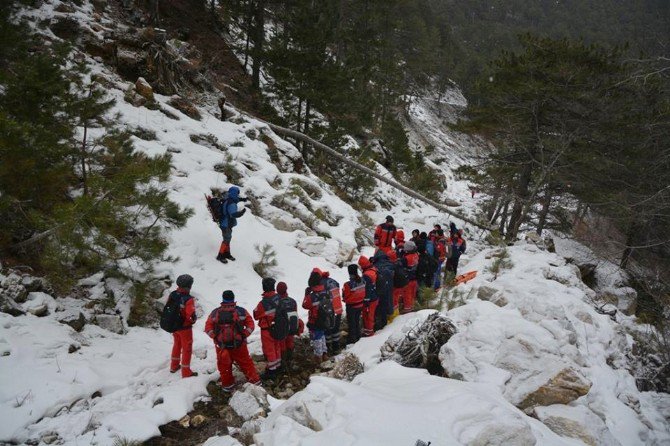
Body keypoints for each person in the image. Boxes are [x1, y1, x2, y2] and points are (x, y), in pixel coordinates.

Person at [205, 290, 260, 392]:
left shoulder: (215, 313)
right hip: (239, 345)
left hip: (222, 346)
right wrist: (244, 335)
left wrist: (216, 338)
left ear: (223, 299)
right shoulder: (241, 311)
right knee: (246, 363)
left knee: (224, 366)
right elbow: (251, 325)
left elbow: (207, 327)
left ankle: (228, 386)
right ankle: (255, 382)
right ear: (233, 299)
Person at [253, 278, 282, 380]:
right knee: (277, 346)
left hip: (267, 329)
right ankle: (278, 366)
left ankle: (272, 371)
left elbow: (255, 315)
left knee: (269, 350)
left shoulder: (263, 303)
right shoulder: (279, 297)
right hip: (279, 327)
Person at [169, 274, 198, 378]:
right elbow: (191, 315)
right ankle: (186, 372)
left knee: (177, 344)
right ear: (189, 286)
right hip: (185, 328)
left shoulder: (172, 294)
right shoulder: (188, 299)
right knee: (187, 348)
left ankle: (174, 366)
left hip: (174, 326)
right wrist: (193, 319)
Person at [302, 271, 331, 363]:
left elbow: (305, 305)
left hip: (315, 321)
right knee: (322, 336)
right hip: (325, 319)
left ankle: (319, 358)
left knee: (316, 339)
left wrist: (306, 294)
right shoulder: (327, 292)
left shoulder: (311, 296)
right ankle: (324, 354)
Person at [217, 186, 249, 264]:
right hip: (226, 223)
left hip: (226, 223)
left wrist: (243, 199)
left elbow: (236, 200)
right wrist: (242, 212)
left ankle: (227, 253)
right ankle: (220, 255)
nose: (238, 195)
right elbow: (233, 214)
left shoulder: (228, 199)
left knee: (228, 238)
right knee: (226, 239)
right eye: (237, 193)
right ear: (235, 193)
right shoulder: (231, 203)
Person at [342, 264, 365, 344]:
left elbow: (345, 296)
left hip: (351, 306)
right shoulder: (362, 280)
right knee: (357, 321)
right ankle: (358, 336)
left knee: (352, 323)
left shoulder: (347, 284)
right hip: (360, 304)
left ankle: (352, 340)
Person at [371, 249, 394, 330]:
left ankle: (379, 326)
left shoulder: (375, 266)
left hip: (379, 290)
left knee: (379, 308)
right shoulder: (390, 264)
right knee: (388, 305)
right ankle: (387, 322)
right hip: (390, 287)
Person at [358, 255, 379, 337]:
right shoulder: (373, 269)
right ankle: (369, 329)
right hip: (375, 296)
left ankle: (369, 331)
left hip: (370, 299)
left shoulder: (366, 275)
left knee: (368, 315)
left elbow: (367, 288)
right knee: (371, 314)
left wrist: (366, 300)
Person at [389, 251, 408, 321]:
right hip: (400, 286)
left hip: (395, 286)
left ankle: (393, 318)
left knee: (393, 302)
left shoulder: (392, 267)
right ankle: (397, 315)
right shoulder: (399, 263)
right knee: (396, 300)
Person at [401, 241, 419, 313]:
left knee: (407, 295)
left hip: (408, 279)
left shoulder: (406, 258)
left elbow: (401, 266)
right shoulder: (416, 255)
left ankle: (407, 311)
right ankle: (412, 307)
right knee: (412, 295)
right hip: (415, 278)